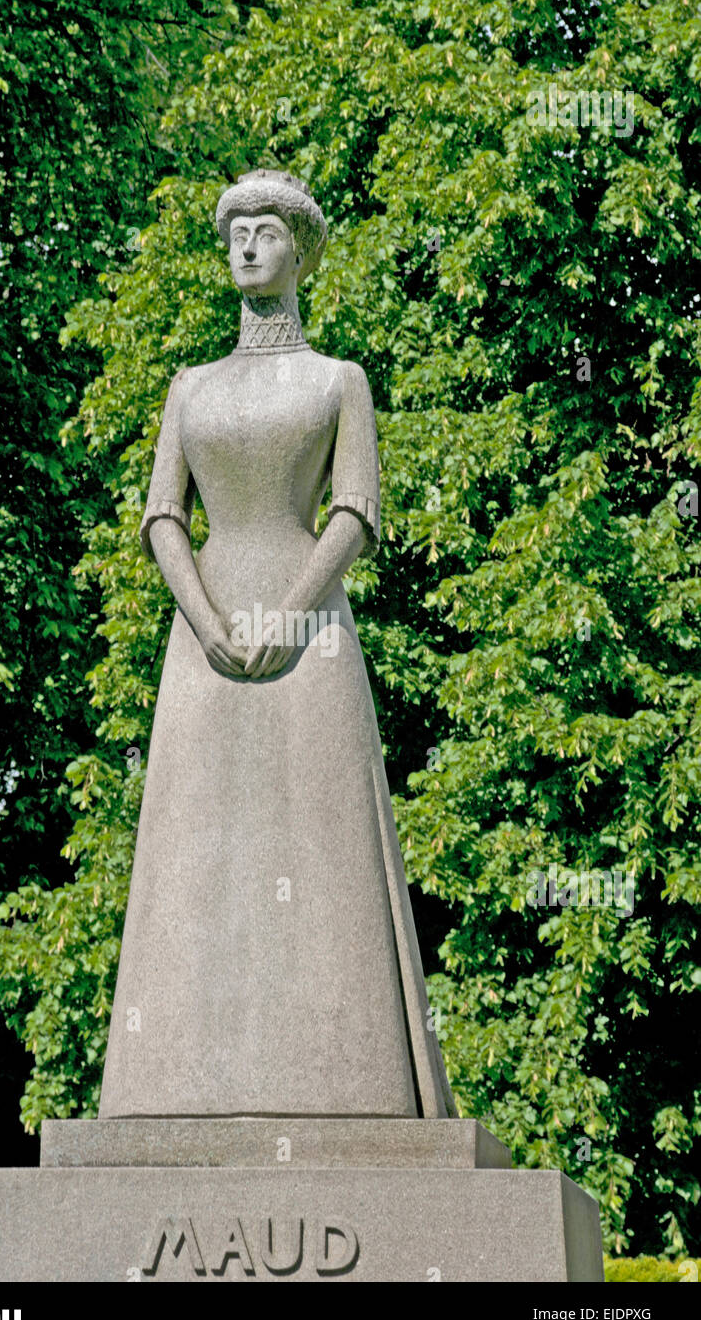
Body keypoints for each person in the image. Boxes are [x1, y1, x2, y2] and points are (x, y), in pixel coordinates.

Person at [99, 169, 456, 1119]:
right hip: (204, 634)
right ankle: (169, 1089)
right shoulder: (189, 387)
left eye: (263, 232)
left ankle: (353, 1086)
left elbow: (355, 512)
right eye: (234, 236)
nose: (245, 248)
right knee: (195, 845)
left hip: (309, 634)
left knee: (321, 834)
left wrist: (291, 612)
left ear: (300, 251)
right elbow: (161, 514)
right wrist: (209, 618)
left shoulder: (338, 381)